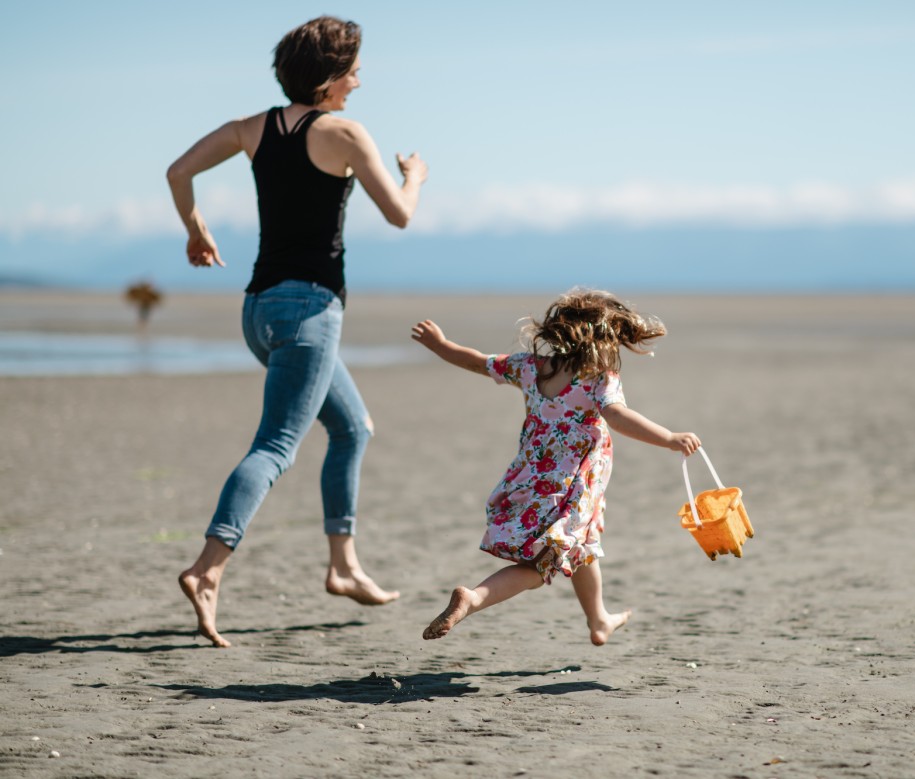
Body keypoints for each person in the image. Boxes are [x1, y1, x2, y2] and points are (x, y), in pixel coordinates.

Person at [166, 16, 428, 648]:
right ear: (332, 77)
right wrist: (415, 174)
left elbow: (178, 172)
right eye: (354, 71)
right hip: (309, 313)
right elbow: (398, 214)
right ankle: (208, 568)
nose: (359, 83)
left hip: (259, 311)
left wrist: (195, 230)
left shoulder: (251, 128)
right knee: (276, 446)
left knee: (352, 426)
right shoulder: (343, 132)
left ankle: (343, 566)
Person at [411, 289, 701, 646]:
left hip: (529, 482)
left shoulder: (529, 367)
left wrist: (440, 345)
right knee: (537, 568)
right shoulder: (598, 378)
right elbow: (618, 416)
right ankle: (473, 599)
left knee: (580, 545)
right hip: (569, 490)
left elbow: (477, 361)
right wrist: (669, 437)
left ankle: (599, 620)